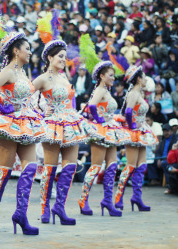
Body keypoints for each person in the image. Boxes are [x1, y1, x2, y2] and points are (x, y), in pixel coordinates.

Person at [0, 31, 45, 235]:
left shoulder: (23, 72)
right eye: (27, 48)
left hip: (26, 123)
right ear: (16, 51)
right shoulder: (9, 71)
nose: (30, 52)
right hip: (9, 126)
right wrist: (2, 108)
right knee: (5, 170)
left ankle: (21, 214)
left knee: (30, 168)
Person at [33, 15, 91, 226]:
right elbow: (27, 97)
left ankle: (60, 207)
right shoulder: (43, 78)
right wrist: (41, 113)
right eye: (59, 56)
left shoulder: (65, 78)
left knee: (69, 168)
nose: (62, 59)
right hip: (52, 126)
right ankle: (45, 208)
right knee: (50, 169)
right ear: (49, 57)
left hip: (70, 124)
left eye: (64, 56)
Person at [78, 60, 131, 217]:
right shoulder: (100, 90)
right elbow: (92, 106)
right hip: (101, 131)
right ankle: (83, 200)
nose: (113, 78)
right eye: (110, 75)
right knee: (95, 166)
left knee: (112, 166)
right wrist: (99, 121)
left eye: (114, 75)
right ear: (101, 76)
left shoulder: (106, 91)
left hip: (110, 130)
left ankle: (108, 201)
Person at [114, 66, 158, 212]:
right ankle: (118, 197)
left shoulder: (138, 92)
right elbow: (128, 111)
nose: (146, 79)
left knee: (142, 165)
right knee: (131, 165)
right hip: (134, 131)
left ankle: (137, 198)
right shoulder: (133, 93)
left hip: (140, 130)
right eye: (144, 77)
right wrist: (133, 126)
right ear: (138, 79)